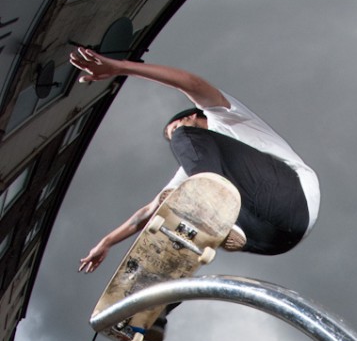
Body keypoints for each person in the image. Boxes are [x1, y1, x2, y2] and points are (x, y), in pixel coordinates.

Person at [69, 47, 320, 279]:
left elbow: (191, 83)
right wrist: (107, 241)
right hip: (270, 240)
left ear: (193, 116)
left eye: (176, 128)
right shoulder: (199, 171)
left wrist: (121, 67)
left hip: (293, 200)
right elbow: (149, 211)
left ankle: (213, 212)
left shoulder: (224, 118)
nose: (177, 140)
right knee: (171, 204)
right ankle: (161, 290)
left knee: (193, 188)